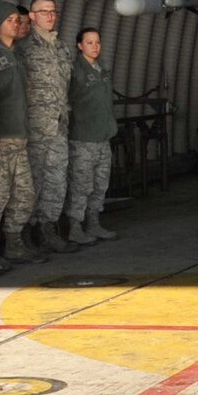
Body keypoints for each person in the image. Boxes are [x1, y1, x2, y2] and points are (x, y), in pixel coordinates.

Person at [0, 1, 43, 265]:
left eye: (18, 20)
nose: (15, 24)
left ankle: (14, 241)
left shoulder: (18, 55)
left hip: (19, 136)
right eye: (9, 20)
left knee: (25, 193)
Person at [19, 0, 77, 254]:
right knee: (32, 181)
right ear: (31, 16)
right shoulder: (23, 47)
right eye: (44, 12)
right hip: (34, 127)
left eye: (53, 11)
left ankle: (48, 228)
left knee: (56, 179)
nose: (50, 16)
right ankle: (25, 231)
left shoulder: (62, 48)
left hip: (58, 126)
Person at [65, 27, 118, 244]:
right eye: (89, 43)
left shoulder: (102, 69)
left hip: (102, 137)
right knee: (81, 184)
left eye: (97, 42)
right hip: (83, 138)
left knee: (99, 184)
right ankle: (75, 227)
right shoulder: (74, 70)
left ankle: (93, 222)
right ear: (79, 45)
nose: (94, 47)